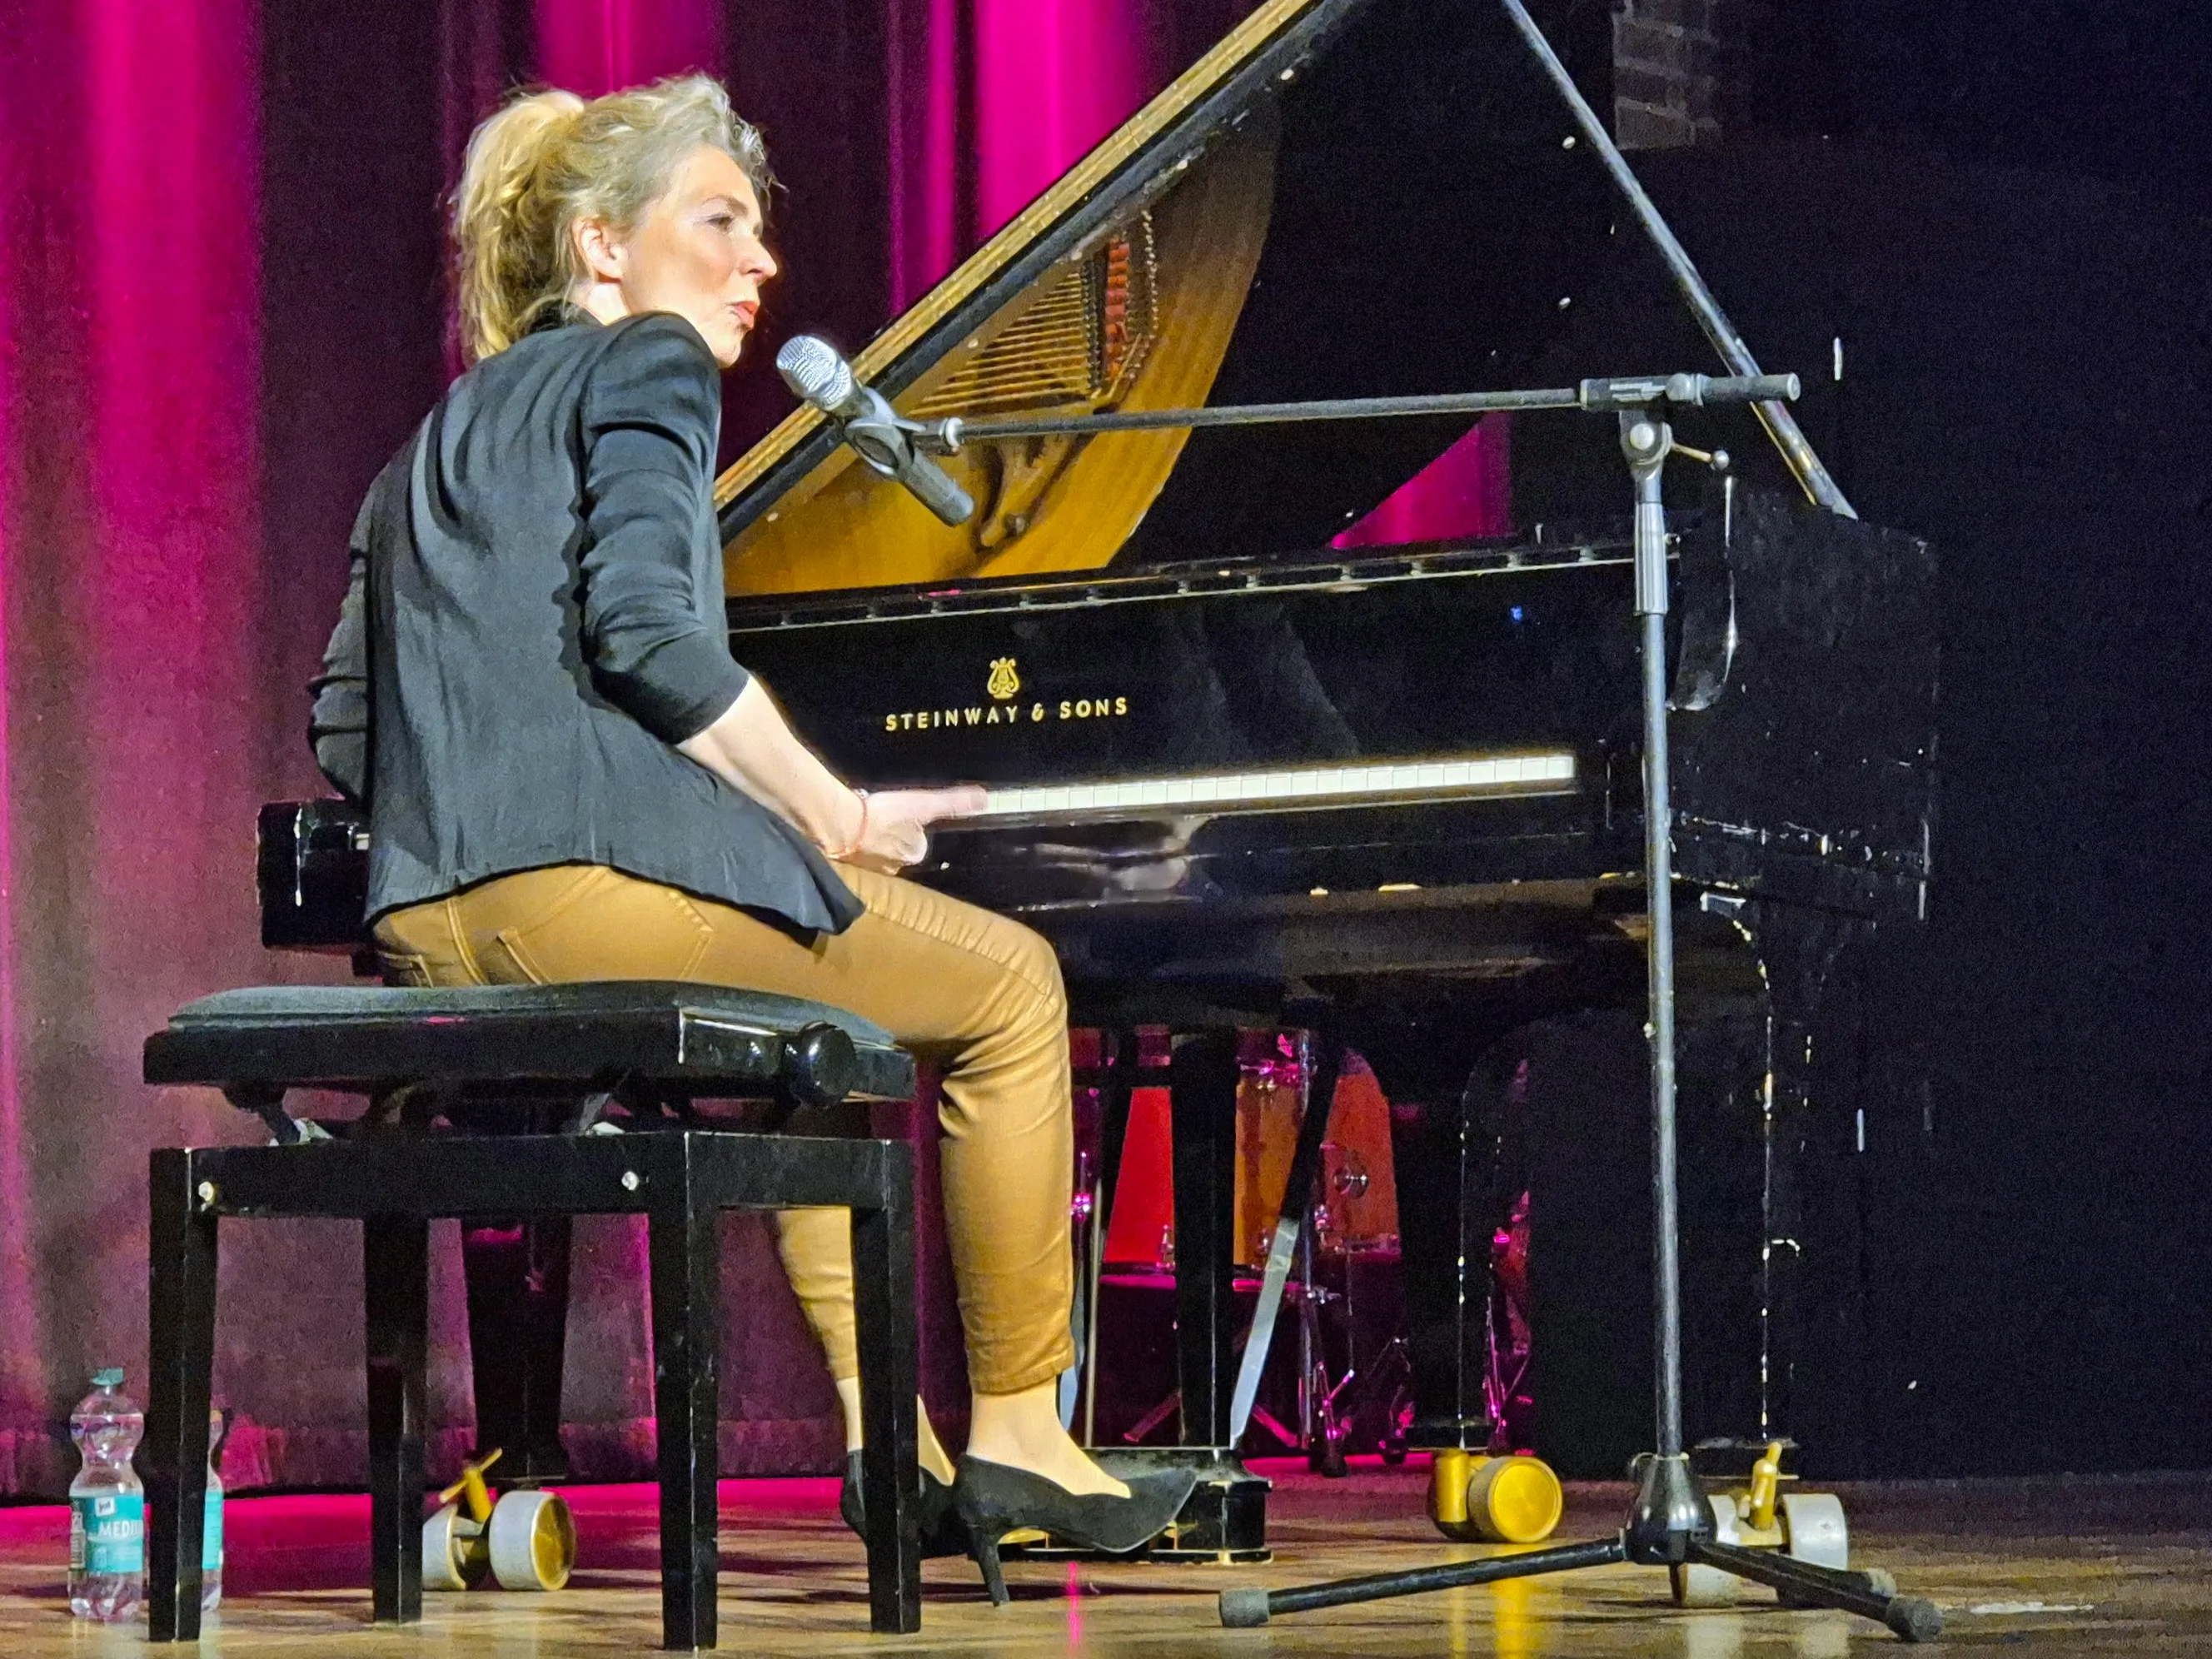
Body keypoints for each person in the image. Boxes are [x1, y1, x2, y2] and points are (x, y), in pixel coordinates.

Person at [307, 75, 1192, 1602]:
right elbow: (652, 637)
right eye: (716, 221)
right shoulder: (645, 366)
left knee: (817, 1017)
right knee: (1008, 990)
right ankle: (1027, 1434)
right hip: (566, 898)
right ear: (602, 248)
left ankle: (890, 1455)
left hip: (429, 912)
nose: (755, 263)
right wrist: (833, 810)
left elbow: (339, 721)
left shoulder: (438, 435)